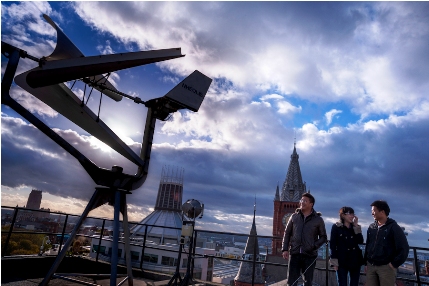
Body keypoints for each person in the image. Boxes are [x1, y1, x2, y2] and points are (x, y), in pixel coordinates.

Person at [282, 193, 327, 286]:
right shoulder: (294, 216)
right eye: (301, 200)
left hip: (309, 255)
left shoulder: (318, 220)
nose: (302, 202)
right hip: (295, 254)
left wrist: (313, 246)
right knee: (291, 282)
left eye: (305, 201)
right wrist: (285, 249)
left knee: (308, 282)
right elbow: (287, 233)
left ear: (311, 204)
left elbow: (323, 237)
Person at [364, 200, 409, 286]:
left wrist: (394, 264)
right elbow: (368, 245)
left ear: (382, 212)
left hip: (386, 267)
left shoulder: (394, 228)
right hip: (371, 265)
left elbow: (404, 248)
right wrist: (366, 262)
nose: (372, 213)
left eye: (374, 211)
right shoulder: (371, 227)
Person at [330, 206, 364, 286]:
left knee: (354, 283)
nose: (352, 216)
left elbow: (360, 241)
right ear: (343, 215)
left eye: (353, 214)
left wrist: (356, 226)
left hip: (355, 259)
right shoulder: (336, 227)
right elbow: (333, 245)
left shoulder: (354, 227)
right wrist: (334, 262)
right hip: (342, 260)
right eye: (349, 213)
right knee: (342, 283)